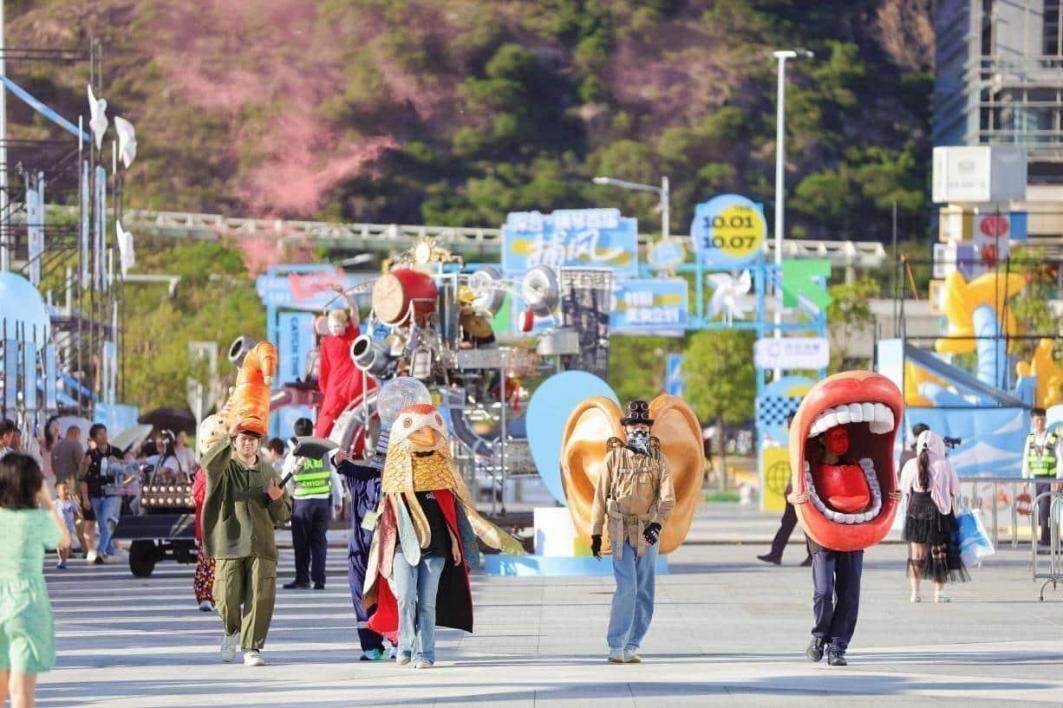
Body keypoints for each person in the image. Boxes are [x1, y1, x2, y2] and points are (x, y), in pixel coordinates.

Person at [363, 403, 523, 668]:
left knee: (426, 602)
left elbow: (455, 513)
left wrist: (455, 543)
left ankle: (424, 653)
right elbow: (385, 518)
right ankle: (404, 646)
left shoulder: (444, 479)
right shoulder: (393, 482)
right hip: (403, 547)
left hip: (435, 550)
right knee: (405, 598)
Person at [790, 426, 900, 667]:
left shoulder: (857, 466)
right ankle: (819, 636)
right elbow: (794, 493)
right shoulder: (809, 468)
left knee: (849, 593)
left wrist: (892, 497)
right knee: (823, 590)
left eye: (844, 436)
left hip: (853, 534)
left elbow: (874, 493)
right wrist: (795, 499)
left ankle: (838, 646)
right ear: (822, 439)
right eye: (836, 436)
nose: (842, 440)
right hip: (823, 537)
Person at [590, 400, 676, 664]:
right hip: (619, 529)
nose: (639, 429)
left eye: (643, 424)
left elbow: (667, 497)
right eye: (633, 424)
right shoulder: (613, 458)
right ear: (625, 428)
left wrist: (657, 524)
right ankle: (616, 644)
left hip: (648, 530)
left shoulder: (659, 460)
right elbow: (600, 496)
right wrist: (595, 534)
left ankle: (633, 643)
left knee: (645, 590)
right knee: (626, 586)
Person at [201, 425, 292, 667]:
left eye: (253, 440)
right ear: (234, 442)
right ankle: (231, 632)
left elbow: (283, 515)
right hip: (230, 543)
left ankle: (252, 647)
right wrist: (224, 437)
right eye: (243, 439)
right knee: (225, 595)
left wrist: (277, 498)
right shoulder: (224, 469)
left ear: (259, 443)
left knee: (260, 597)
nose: (248, 444)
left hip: (261, 544)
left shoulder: (269, 471)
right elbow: (207, 464)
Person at [0, 453, 70, 707]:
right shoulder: (38, 520)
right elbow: (64, 541)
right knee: (22, 694)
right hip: (26, 608)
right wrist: (49, 503)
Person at [333, 442, 388, 661]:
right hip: (360, 552)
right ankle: (371, 646)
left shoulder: (406, 484)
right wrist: (339, 458)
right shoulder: (364, 477)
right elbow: (342, 465)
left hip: (390, 553)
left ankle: (397, 641)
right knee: (362, 599)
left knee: (391, 598)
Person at [900, 430, 968, 603]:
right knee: (939, 553)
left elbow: (904, 491)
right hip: (939, 512)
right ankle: (939, 593)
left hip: (916, 511)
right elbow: (956, 491)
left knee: (916, 554)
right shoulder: (945, 465)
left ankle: (915, 593)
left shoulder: (910, 464)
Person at [282, 417, 344, 590]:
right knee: (319, 542)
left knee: (301, 543)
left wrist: (289, 497)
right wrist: (338, 499)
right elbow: (334, 475)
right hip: (323, 503)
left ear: (296, 433)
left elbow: (285, 479)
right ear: (312, 431)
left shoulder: (294, 454)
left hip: (301, 504)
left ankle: (302, 579)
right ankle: (319, 580)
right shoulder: (323, 451)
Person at [759, 414, 813, 567]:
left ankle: (812, 555)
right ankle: (776, 553)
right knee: (788, 523)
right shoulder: (797, 439)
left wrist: (792, 486)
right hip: (795, 489)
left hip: (801, 490)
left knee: (804, 524)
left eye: (791, 423)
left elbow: (802, 467)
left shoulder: (803, 440)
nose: (789, 427)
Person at [78, 424, 123, 564]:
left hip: (112, 494)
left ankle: (101, 551)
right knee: (103, 525)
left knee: (106, 519)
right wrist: (86, 464)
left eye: (105, 433)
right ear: (93, 438)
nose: (104, 436)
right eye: (100, 434)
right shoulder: (90, 454)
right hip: (95, 494)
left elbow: (127, 469)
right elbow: (82, 477)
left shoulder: (115, 452)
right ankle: (109, 551)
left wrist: (119, 463)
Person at [1021, 408, 1062, 547]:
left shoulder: (1053, 438)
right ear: (1032, 421)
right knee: (1042, 511)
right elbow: (1026, 458)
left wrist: (1059, 478)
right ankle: (1052, 540)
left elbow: (1061, 459)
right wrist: (1025, 478)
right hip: (1035, 479)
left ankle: (1046, 542)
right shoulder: (1030, 438)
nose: (1040, 422)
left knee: (1046, 510)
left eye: (1042, 419)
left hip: (1050, 479)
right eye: (1037, 419)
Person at [191, 466, 215, 612]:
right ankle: (205, 596)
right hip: (209, 528)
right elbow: (198, 495)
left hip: (226, 527)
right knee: (207, 564)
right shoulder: (204, 471)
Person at [52, 481, 81, 569]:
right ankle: (61, 558)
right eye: (63, 489)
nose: (66, 491)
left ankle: (64, 560)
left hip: (68, 527)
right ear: (58, 492)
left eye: (67, 489)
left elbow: (76, 514)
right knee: (59, 544)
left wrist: (77, 520)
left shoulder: (71, 503)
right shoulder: (55, 503)